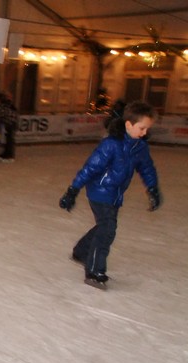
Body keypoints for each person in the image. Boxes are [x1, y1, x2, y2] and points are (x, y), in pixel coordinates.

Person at [58, 100, 161, 288]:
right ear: (128, 125)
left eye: (147, 128)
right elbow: (90, 168)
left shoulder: (140, 147)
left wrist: (153, 188)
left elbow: (147, 168)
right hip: (99, 191)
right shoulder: (111, 144)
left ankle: (81, 251)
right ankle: (94, 271)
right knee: (107, 229)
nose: (145, 132)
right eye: (142, 128)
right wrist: (73, 190)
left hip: (116, 194)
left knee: (104, 225)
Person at [0, 92, 18, 162]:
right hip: (12, 123)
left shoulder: (3, 105)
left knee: (9, 140)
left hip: (8, 123)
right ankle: (6, 154)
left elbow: (0, 114)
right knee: (8, 139)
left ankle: (9, 155)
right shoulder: (10, 105)